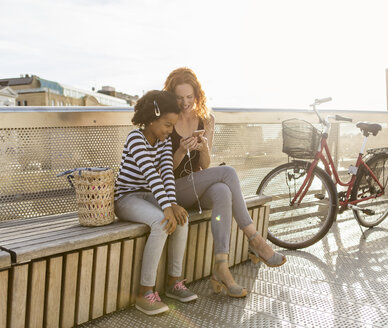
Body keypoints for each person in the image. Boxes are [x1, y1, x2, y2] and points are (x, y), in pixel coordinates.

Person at [164, 67, 286, 298]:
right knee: (228, 173)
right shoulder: (168, 118)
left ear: (197, 94)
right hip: (172, 190)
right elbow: (162, 172)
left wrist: (203, 148)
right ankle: (255, 239)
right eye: (179, 97)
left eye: (189, 97)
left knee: (222, 190)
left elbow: (205, 167)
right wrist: (181, 150)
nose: (185, 103)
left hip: (195, 187)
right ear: (172, 97)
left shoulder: (206, 119)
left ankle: (221, 265)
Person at [114, 90, 197, 315]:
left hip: (148, 195)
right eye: (167, 125)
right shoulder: (135, 139)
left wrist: (172, 205)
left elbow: (167, 174)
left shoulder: (164, 141)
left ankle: (173, 282)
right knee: (162, 222)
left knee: (181, 218)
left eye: (173, 126)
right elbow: (151, 174)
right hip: (126, 198)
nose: (171, 131)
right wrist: (166, 208)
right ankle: (144, 292)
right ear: (152, 118)